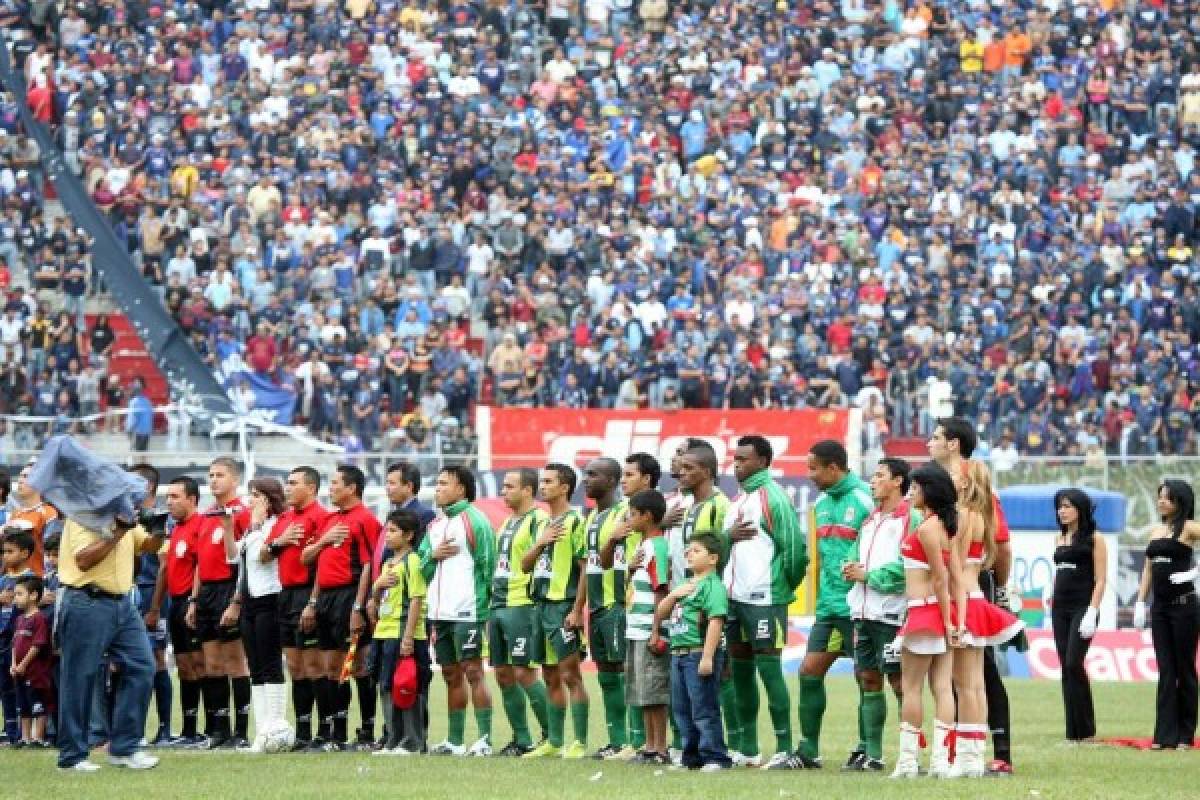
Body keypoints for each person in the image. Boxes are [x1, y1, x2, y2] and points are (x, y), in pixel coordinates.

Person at [928, 417, 1016, 776]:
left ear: (953, 444)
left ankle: (997, 751)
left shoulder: (973, 489)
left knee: (979, 674)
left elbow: (1002, 545)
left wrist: (999, 586)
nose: (928, 443)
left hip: (969, 585)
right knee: (959, 674)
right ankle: (962, 750)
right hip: (959, 584)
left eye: (935, 437)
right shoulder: (942, 486)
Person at [56, 510, 166, 770]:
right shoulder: (84, 516)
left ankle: (124, 748)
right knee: (80, 676)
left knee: (142, 665)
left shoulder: (124, 517)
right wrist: (118, 532)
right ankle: (72, 757)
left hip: (122, 603)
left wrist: (158, 528)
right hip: (86, 599)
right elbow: (83, 560)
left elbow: (148, 545)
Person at [786, 439, 873, 770]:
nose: (808, 475)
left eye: (813, 468)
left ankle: (867, 749)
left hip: (859, 607)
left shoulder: (866, 499)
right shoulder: (820, 504)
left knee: (866, 676)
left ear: (834, 467)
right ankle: (808, 751)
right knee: (809, 672)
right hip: (828, 607)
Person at [724, 434, 806, 771]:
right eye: (736, 458)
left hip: (764, 599)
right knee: (740, 671)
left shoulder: (774, 498)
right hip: (735, 598)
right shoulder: (738, 499)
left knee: (769, 670)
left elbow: (795, 551)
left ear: (763, 461)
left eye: (744, 459)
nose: (737, 464)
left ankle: (785, 747)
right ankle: (747, 747)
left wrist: (781, 587)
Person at [842, 457, 918, 771]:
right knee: (868, 679)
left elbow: (909, 567)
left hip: (892, 615)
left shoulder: (909, 519)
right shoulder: (870, 521)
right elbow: (853, 554)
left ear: (898, 481)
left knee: (900, 684)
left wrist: (868, 575)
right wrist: (848, 567)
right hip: (863, 613)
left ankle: (908, 755)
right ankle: (873, 756)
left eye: (879, 476)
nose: (872, 481)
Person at [949, 461, 1023, 777]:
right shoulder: (975, 513)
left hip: (967, 595)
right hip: (972, 594)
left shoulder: (968, 514)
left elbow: (957, 563)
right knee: (971, 681)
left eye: (954, 476)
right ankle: (968, 752)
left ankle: (974, 754)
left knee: (972, 679)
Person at [300, 464, 379, 751]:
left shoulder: (366, 519)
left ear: (352, 488)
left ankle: (368, 731)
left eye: (335, 483)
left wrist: (358, 607)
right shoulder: (329, 520)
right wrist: (312, 602)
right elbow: (309, 560)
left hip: (350, 596)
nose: (330, 488)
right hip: (325, 600)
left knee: (358, 667)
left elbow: (371, 565)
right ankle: (338, 732)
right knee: (332, 667)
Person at [420, 465, 495, 756]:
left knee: (474, 672)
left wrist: (485, 609)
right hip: (440, 613)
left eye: (443, 484)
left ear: (461, 488)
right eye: (436, 483)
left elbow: (488, 566)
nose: (437, 488)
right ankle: (454, 740)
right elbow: (421, 567)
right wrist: (431, 554)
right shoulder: (435, 526)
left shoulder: (476, 521)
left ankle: (485, 740)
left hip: (468, 611)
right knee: (450, 674)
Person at [891, 464, 959, 779]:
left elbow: (941, 578)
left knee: (912, 687)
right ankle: (941, 762)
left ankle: (908, 763)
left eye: (916, 488)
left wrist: (946, 620)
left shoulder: (929, 528)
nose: (911, 493)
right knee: (942, 687)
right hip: (936, 612)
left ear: (930, 491)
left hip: (924, 611)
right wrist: (951, 620)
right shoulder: (944, 527)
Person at [521, 463, 588, 759]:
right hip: (539, 606)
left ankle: (581, 742)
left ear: (565, 487)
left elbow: (585, 568)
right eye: (541, 481)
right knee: (549, 675)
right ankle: (555, 741)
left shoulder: (576, 522)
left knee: (571, 675)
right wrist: (540, 543)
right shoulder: (539, 523)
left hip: (563, 607)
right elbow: (524, 565)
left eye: (548, 481)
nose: (542, 486)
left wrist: (576, 610)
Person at [186, 458, 253, 749]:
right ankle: (219, 730)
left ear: (235, 480)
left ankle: (240, 732)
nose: (214, 480)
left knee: (235, 662)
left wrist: (237, 601)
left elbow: (246, 560)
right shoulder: (205, 516)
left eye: (220, 475)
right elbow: (200, 562)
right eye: (210, 475)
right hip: (206, 595)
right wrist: (193, 599)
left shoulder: (243, 513)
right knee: (212, 663)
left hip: (230, 589)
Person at [652, 533, 732, 771]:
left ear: (713, 558)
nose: (688, 554)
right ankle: (692, 757)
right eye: (688, 550)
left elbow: (715, 621)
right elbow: (662, 613)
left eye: (696, 551)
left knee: (703, 708)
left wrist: (707, 657)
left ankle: (715, 756)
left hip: (698, 654)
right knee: (682, 709)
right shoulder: (685, 584)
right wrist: (674, 595)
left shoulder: (712, 586)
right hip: (678, 654)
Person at [1133, 480, 1200, 750]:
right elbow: (1148, 570)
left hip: (1184, 607)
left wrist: (1195, 573)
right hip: (1159, 609)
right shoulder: (1156, 531)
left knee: (1184, 670)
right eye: (1160, 497)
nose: (1161, 502)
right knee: (1165, 670)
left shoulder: (1190, 528)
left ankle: (1185, 735)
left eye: (1168, 498)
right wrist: (1140, 602)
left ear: (1180, 502)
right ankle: (1164, 736)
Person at [264, 466, 328, 750]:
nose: (287, 488)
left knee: (315, 665)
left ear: (311, 488)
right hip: (285, 595)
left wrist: (313, 602)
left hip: (309, 593)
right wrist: (281, 541)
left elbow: (324, 564)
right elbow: (264, 554)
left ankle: (325, 731)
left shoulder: (322, 517)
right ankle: (303, 731)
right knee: (296, 667)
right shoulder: (285, 519)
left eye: (293, 483)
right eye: (286, 483)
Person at [489, 468, 550, 756]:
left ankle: (553, 736)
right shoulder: (506, 524)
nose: (504, 491)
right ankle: (521, 739)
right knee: (502, 674)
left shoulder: (538, 519)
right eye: (503, 486)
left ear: (528, 490)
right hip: (497, 604)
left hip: (521, 605)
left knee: (525, 673)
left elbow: (543, 559)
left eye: (509, 486)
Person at [227, 478, 287, 753]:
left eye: (255, 496)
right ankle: (261, 731)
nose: (250, 501)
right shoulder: (253, 530)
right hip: (250, 602)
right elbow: (232, 558)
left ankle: (275, 726)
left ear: (268, 500)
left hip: (269, 599)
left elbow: (267, 557)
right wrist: (230, 527)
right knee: (255, 667)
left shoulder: (277, 525)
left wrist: (260, 523)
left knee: (270, 664)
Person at [581, 457, 633, 758]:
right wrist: (579, 608)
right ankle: (616, 740)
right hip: (597, 607)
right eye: (586, 474)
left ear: (611, 482)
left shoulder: (624, 513)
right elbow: (588, 566)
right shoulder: (590, 518)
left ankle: (630, 740)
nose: (586, 479)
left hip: (617, 604)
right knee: (605, 673)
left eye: (593, 475)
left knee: (622, 671)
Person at [617, 489, 672, 764]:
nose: (629, 518)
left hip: (648, 629)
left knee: (655, 692)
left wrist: (656, 630)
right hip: (635, 628)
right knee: (643, 692)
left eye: (633, 514)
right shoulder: (641, 546)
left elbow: (661, 589)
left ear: (647, 516)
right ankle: (649, 747)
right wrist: (629, 571)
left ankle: (660, 749)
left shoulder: (658, 546)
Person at [1050, 489, 1107, 744]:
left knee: (1074, 663)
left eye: (1067, 506)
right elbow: (1060, 572)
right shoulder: (1058, 538)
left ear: (1080, 509)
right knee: (1066, 667)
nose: (1062, 511)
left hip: (1083, 608)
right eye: (1059, 506)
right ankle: (1072, 733)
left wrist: (1092, 610)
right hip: (1059, 608)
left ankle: (1087, 731)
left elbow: (1101, 579)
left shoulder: (1095, 539)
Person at [155, 476, 209, 747]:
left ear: (192, 499)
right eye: (168, 497)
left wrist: (194, 601)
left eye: (175, 497)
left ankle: (212, 728)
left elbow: (201, 564)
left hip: (191, 602)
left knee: (201, 664)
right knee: (185, 667)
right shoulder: (175, 528)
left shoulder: (201, 525)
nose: (169, 502)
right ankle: (189, 730)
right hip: (175, 603)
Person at [370, 510, 429, 756]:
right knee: (384, 686)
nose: (387, 536)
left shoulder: (413, 562)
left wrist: (407, 638)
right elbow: (377, 599)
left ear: (409, 535)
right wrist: (377, 587)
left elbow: (416, 599)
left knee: (406, 686)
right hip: (383, 631)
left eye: (393, 531)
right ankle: (393, 740)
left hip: (402, 632)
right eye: (387, 530)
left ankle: (412, 742)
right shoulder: (387, 563)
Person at [128, 464, 174, 747]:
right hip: (131, 594)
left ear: (148, 487)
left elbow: (164, 567)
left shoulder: (160, 520)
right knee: (132, 662)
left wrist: (155, 607)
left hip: (151, 595)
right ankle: (136, 729)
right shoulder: (129, 517)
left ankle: (165, 728)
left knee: (154, 659)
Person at [1, 528, 37, 745]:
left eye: (10, 551)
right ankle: (9, 728)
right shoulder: (3, 579)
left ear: (24, 553)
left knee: (22, 687)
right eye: (3, 552)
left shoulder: (32, 580)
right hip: (2, 640)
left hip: (21, 640)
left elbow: (36, 606)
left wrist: (14, 600)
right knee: (4, 686)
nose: (5, 556)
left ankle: (28, 733)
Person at [11, 575, 52, 746]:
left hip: (35, 673)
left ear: (34, 595)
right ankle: (25, 738)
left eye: (19, 594)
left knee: (38, 705)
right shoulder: (19, 619)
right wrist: (13, 665)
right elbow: (14, 644)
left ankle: (38, 737)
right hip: (19, 673)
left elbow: (37, 645)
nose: (15, 599)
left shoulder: (39, 618)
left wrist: (23, 664)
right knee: (23, 706)